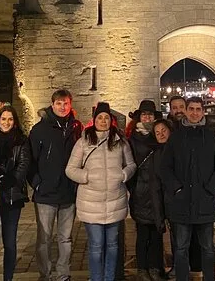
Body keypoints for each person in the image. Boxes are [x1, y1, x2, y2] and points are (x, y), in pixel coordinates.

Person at [66, 102, 136, 281]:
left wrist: (123, 175)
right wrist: (87, 176)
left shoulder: (120, 141)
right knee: (96, 246)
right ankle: (96, 278)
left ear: (111, 120)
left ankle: (109, 278)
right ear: (94, 120)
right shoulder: (84, 141)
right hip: (91, 203)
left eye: (106, 118)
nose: (103, 121)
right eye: (100, 118)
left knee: (112, 246)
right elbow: (70, 169)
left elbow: (131, 165)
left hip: (115, 202)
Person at [161, 97, 215, 281]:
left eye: (198, 109)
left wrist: (210, 189)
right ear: (186, 111)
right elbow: (165, 167)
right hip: (182, 202)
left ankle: (209, 278)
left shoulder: (213, 138)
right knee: (181, 248)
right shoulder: (176, 137)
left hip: (204, 201)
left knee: (208, 248)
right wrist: (177, 189)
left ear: (203, 112)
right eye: (191, 109)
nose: (195, 113)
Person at [27, 89, 83, 281]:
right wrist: (37, 184)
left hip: (68, 193)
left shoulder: (76, 128)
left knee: (65, 238)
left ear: (70, 105)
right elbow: (30, 160)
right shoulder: (39, 130)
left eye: (66, 103)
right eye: (59, 103)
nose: (62, 107)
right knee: (44, 238)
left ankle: (63, 274)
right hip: (46, 194)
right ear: (52, 105)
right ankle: (45, 274)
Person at [0, 106, 30, 281]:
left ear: (14, 122)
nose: (6, 122)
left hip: (12, 196)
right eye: (3, 119)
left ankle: (8, 278)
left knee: (10, 243)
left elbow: (24, 163)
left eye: (10, 119)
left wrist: (10, 179)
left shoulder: (21, 141)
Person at [128, 100, 165, 281]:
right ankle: (142, 268)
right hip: (141, 192)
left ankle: (155, 267)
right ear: (139, 117)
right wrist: (135, 187)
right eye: (144, 114)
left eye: (150, 114)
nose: (147, 117)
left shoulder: (160, 136)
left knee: (157, 233)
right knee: (142, 234)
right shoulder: (133, 139)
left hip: (158, 192)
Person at [150, 119, 174, 275]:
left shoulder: (178, 149)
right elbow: (156, 186)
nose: (161, 134)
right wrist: (159, 216)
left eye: (163, 130)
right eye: (157, 132)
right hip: (167, 202)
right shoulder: (156, 155)